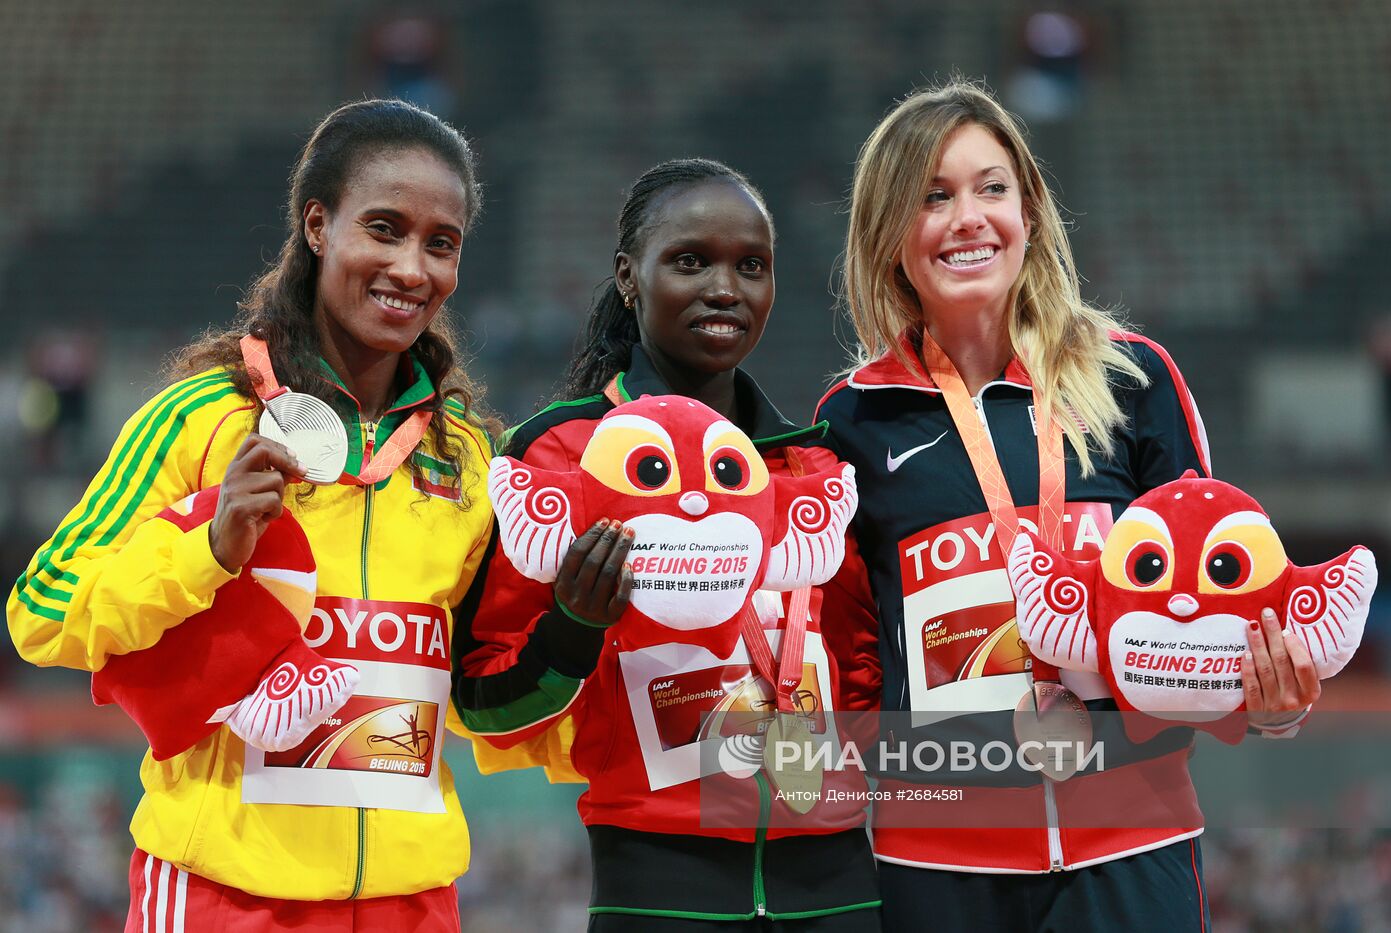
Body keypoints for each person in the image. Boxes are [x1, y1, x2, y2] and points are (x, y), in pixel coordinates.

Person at [815, 81, 1320, 933]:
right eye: (933, 197)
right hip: (938, 863)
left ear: (1031, 209)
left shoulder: (1133, 378)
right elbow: (851, 660)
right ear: (888, 235)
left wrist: (1268, 705)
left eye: (991, 187)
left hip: (1132, 846)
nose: (968, 217)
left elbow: (1215, 611)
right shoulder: (852, 419)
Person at [7, 98, 500, 932]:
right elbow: (43, 608)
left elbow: (483, 677)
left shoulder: (465, 457)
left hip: (412, 903)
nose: (412, 268)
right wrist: (208, 546)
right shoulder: (204, 416)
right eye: (383, 228)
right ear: (318, 226)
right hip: (224, 896)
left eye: (439, 243)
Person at [452, 158, 881, 931]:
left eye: (752, 266)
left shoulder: (813, 464)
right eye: (691, 261)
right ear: (629, 276)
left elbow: (860, 668)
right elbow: (484, 699)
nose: (725, 288)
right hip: (656, 885)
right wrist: (573, 631)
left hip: (840, 885)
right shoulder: (556, 457)